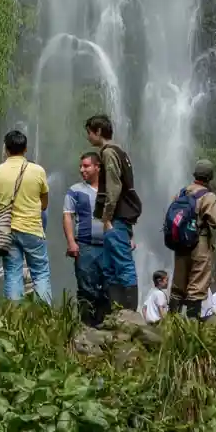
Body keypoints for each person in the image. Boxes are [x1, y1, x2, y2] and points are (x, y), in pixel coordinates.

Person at [85, 114, 143, 312]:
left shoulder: (109, 153)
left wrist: (107, 218)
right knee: (110, 267)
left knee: (123, 264)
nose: (88, 137)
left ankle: (130, 313)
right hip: (119, 218)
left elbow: (114, 187)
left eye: (89, 132)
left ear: (98, 132)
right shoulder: (120, 152)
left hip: (116, 218)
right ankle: (116, 311)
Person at [0, 130, 51, 304]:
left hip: (7, 230)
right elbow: (44, 204)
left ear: (5, 149)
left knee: (12, 274)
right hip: (32, 229)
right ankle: (44, 315)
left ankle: (14, 316)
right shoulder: (38, 171)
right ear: (25, 149)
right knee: (40, 274)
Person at [168, 159, 216, 320]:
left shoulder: (181, 193)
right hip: (199, 244)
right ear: (210, 177)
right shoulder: (208, 196)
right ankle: (192, 325)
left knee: (178, 285)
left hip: (181, 244)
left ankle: (171, 323)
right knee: (197, 285)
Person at [63, 152, 108, 326]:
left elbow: (121, 215)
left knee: (108, 287)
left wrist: (129, 237)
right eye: (81, 166)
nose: (82, 170)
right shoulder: (75, 190)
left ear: (98, 167)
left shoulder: (110, 190)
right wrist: (71, 242)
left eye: (86, 166)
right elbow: (67, 215)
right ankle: (86, 326)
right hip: (84, 245)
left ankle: (104, 324)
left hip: (108, 246)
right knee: (86, 288)